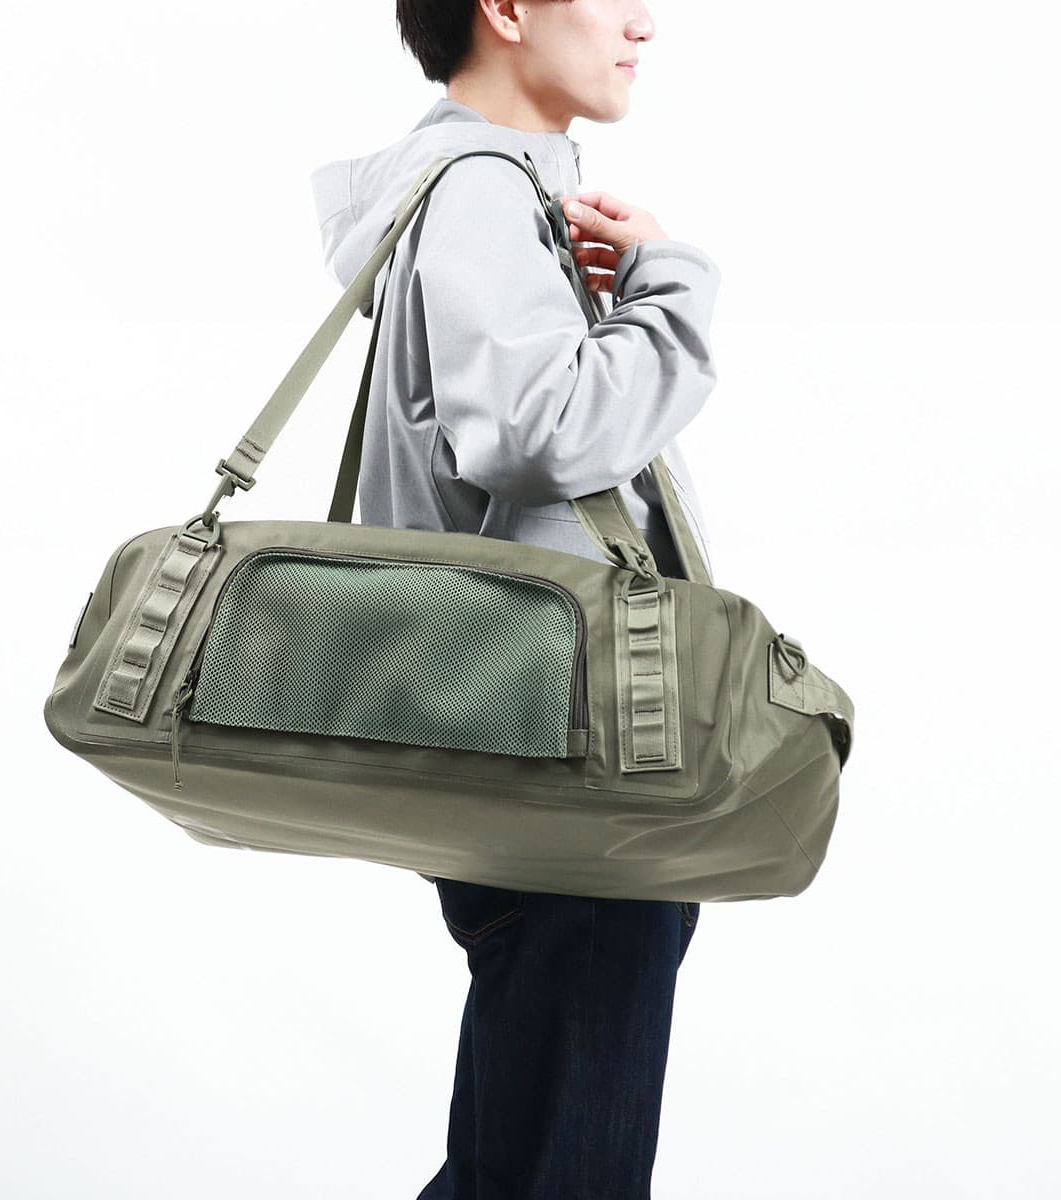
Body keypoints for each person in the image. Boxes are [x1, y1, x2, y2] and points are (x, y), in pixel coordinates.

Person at [310, 1, 720, 1194]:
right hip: (564, 764)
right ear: (504, 10)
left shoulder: (485, 191)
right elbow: (544, 436)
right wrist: (672, 289)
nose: (645, 23)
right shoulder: (482, 191)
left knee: (521, 1164)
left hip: (526, 740)